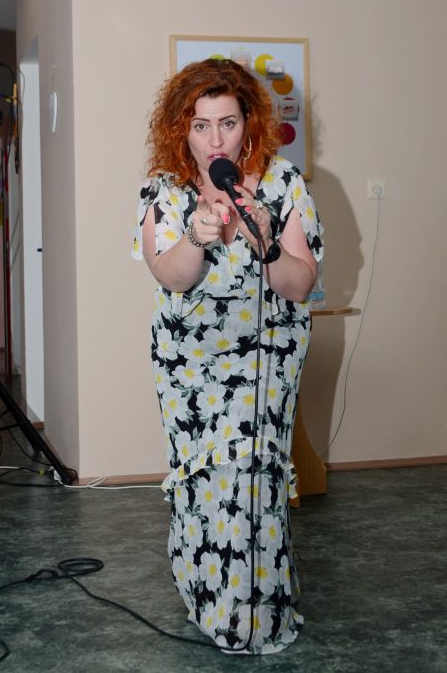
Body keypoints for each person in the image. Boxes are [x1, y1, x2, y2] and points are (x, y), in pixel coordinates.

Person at [132, 58, 323, 654]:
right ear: (181, 130)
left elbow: (300, 284)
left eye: (228, 122)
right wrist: (197, 235)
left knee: (257, 479)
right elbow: (171, 276)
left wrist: (266, 244)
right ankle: (209, 597)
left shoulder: (284, 184)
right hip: (191, 364)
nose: (216, 139)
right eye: (201, 125)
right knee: (206, 482)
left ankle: (260, 610)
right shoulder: (164, 191)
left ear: (249, 123)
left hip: (267, 355)